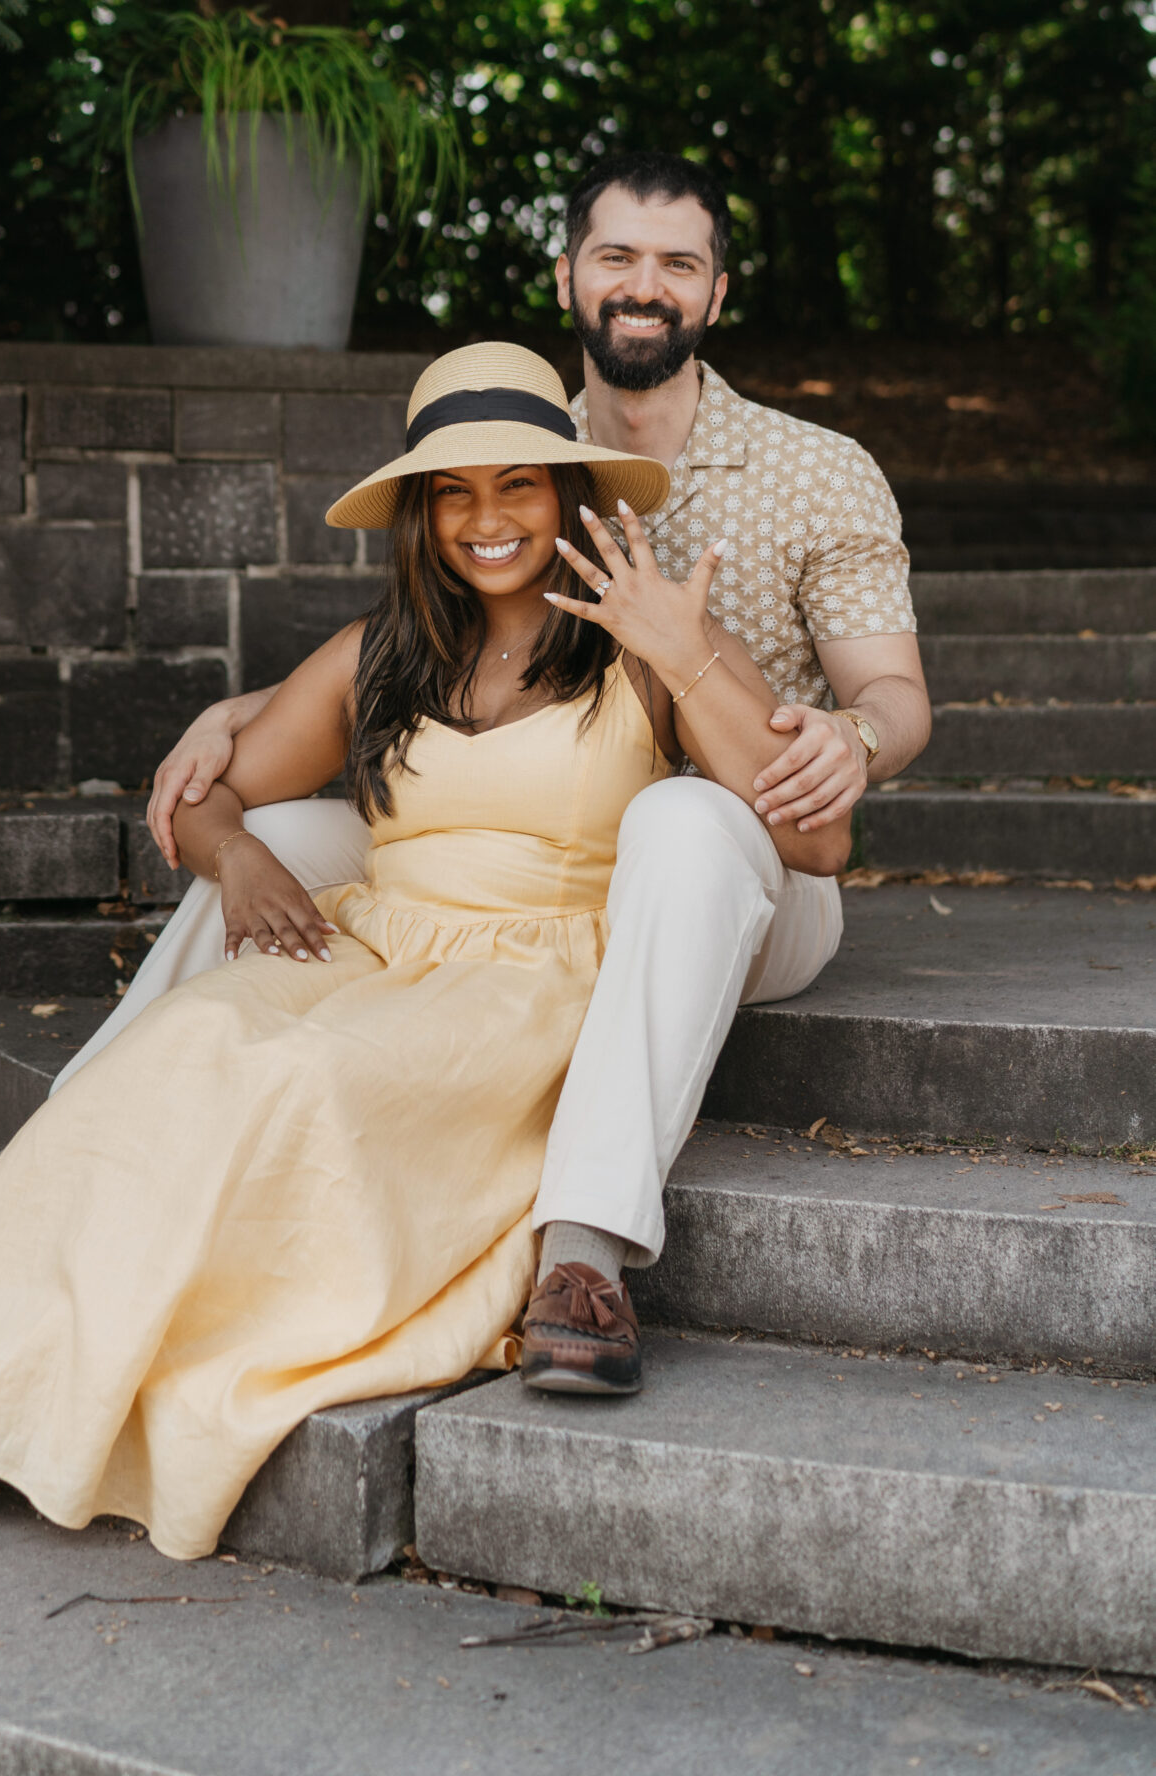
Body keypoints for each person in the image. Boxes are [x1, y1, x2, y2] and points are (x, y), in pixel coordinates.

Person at [0, 342, 850, 1560]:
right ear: (420, 512)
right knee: (183, 1043)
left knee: (292, 1084)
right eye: (455, 490)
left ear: (566, 494)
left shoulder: (644, 644)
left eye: (520, 484)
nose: (489, 517)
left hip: (531, 982)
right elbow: (207, 794)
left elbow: (813, 840)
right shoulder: (384, 650)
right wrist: (238, 857)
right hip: (377, 946)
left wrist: (684, 650)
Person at [123, 151, 930, 1391]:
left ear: (717, 291)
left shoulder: (817, 470)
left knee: (681, 817)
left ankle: (587, 1247)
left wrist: (851, 740)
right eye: (616, 256)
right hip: (536, 825)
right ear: (570, 277)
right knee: (285, 824)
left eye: (676, 262)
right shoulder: (516, 433)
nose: (643, 284)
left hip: (745, 833)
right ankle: (84, 1120)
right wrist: (239, 725)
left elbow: (887, 704)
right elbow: (426, 643)